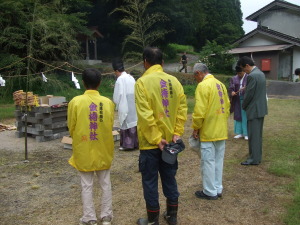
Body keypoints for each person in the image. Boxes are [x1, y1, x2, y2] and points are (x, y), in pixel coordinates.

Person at [135, 47, 187, 225]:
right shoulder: (175, 82)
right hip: (170, 144)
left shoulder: (142, 82)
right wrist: (177, 133)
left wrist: (157, 139)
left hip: (151, 144)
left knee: (150, 182)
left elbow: (145, 115)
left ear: (145, 62)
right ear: (163, 63)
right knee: (169, 178)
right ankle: (172, 217)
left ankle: (153, 221)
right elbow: (181, 110)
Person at [68, 68, 115, 225]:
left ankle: (90, 218)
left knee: (86, 185)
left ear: (83, 83)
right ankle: (106, 216)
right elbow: (109, 125)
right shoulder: (108, 103)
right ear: (100, 83)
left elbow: (71, 127)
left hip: (84, 148)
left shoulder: (75, 102)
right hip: (103, 147)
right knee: (105, 183)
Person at [192, 63, 230, 200]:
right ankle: (218, 187)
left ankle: (209, 191)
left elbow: (199, 111)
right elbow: (227, 106)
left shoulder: (203, 86)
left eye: (194, 76)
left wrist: (196, 128)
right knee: (218, 160)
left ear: (198, 73)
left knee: (208, 161)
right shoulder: (220, 84)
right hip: (221, 129)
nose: (195, 79)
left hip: (209, 130)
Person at [237, 56, 268, 166]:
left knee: (253, 135)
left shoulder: (252, 76)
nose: (244, 71)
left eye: (244, 68)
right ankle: (257, 156)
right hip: (261, 109)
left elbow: (249, 95)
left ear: (247, 66)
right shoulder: (260, 73)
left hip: (254, 110)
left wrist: (243, 105)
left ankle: (253, 159)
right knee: (258, 135)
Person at [112, 58, 139, 150]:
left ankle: (127, 145)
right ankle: (135, 143)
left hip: (125, 103)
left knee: (125, 123)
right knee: (133, 122)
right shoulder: (131, 77)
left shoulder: (120, 79)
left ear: (116, 71)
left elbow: (117, 95)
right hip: (133, 103)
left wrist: (116, 102)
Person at [229, 66, 248, 140]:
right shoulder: (234, 78)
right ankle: (239, 133)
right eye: (238, 73)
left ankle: (246, 133)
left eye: (240, 73)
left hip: (245, 100)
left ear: (244, 71)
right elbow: (230, 88)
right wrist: (232, 92)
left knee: (245, 116)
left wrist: (246, 88)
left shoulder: (249, 77)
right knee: (238, 116)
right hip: (237, 100)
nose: (239, 74)